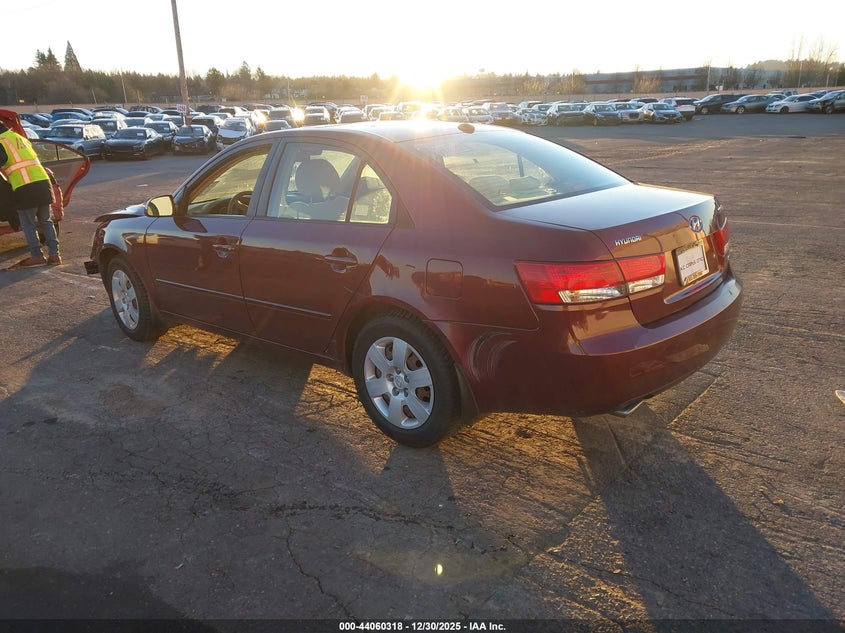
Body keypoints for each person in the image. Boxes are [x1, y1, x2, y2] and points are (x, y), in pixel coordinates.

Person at [0, 110, 60, 268]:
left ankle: (37, 256)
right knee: (46, 221)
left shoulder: (1, 141)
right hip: (43, 182)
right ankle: (54, 254)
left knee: (28, 224)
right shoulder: (18, 137)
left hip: (25, 187)